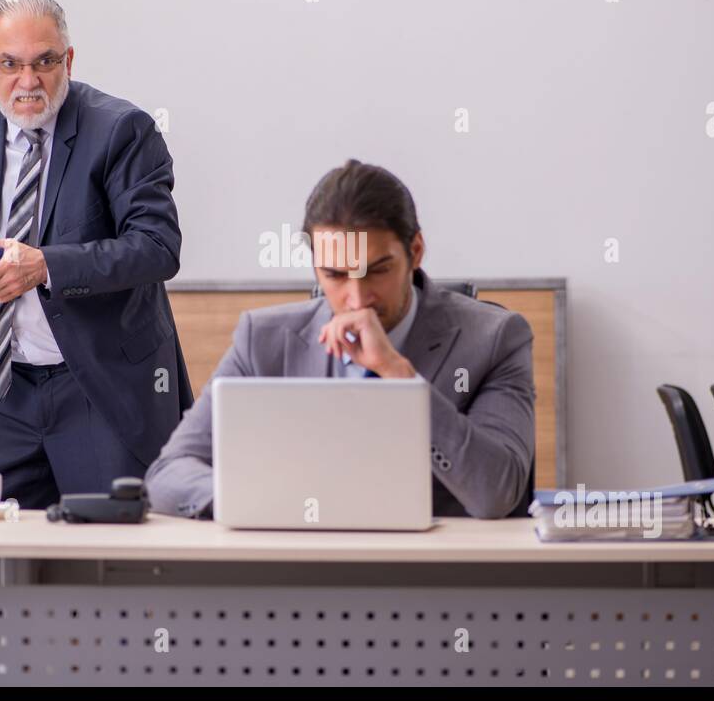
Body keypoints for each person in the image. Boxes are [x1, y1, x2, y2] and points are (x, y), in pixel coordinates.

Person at [0, 0, 192, 684]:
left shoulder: (122, 129)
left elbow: (158, 247)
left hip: (100, 386)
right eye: (11, 64)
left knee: (128, 577)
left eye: (45, 62)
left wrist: (47, 264)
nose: (29, 81)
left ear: (69, 59)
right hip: (7, 390)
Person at [145, 159, 534, 520]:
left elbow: (496, 493)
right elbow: (169, 474)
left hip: (434, 579)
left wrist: (400, 377)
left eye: (377, 270)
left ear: (415, 251)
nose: (357, 297)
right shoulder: (263, 342)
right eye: (335, 274)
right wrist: (263, 500)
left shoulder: (495, 338)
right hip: (299, 575)